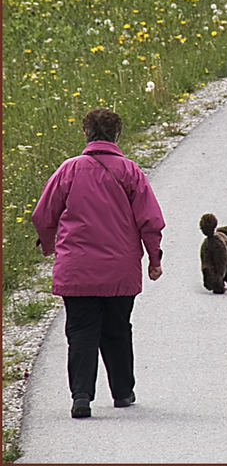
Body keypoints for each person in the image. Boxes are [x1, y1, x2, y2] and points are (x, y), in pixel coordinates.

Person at [31, 108, 166, 419]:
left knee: (80, 330)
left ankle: (81, 396)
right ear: (117, 135)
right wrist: (154, 259)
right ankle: (122, 392)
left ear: (85, 133)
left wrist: (50, 246)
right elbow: (150, 220)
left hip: (77, 269)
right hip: (120, 270)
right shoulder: (131, 172)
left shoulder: (68, 170)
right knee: (118, 329)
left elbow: (43, 215)